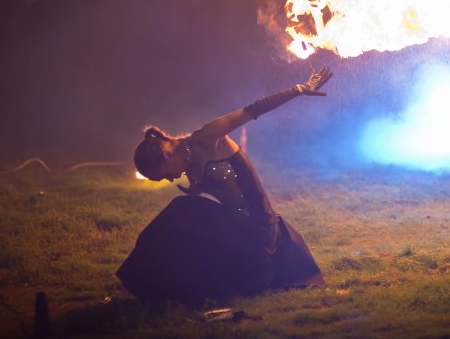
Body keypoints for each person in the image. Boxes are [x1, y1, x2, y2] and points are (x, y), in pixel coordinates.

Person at [117, 67, 332, 305]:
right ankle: (147, 278)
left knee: (180, 209)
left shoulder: (207, 138)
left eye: (164, 176)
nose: (170, 180)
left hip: (259, 230)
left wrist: (299, 89)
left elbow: (254, 109)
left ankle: (140, 276)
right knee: (179, 220)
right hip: (236, 230)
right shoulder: (186, 165)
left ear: (166, 156)